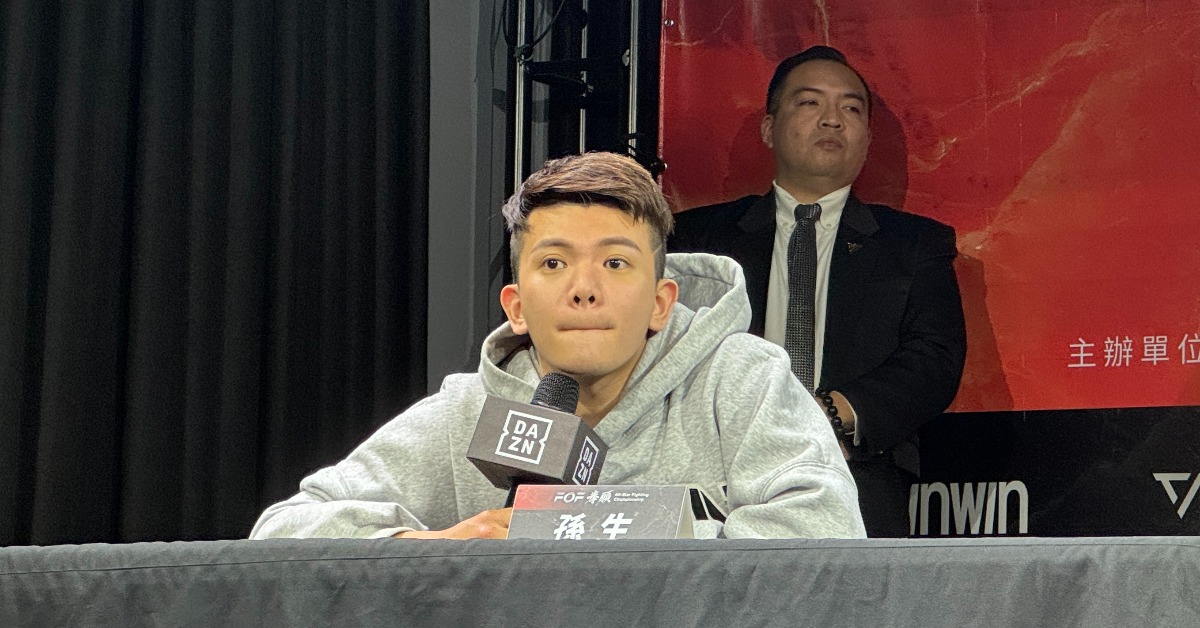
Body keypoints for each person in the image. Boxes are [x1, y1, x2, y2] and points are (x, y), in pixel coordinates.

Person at [250, 152, 865, 540]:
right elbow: (284, 531)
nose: (584, 289)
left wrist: (595, 536)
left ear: (661, 302)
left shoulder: (740, 379)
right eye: (553, 263)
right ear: (516, 306)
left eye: (616, 263)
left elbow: (825, 530)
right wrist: (435, 549)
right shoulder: (469, 411)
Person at [669, 46, 966, 537]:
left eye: (851, 108)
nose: (832, 119)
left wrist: (826, 415)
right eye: (810, 103)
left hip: (853, 474)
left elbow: (934, 358)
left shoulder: (913, 244)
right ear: (769, 128)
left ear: (866, 139)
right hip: (714, 477)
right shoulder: (695, 240)